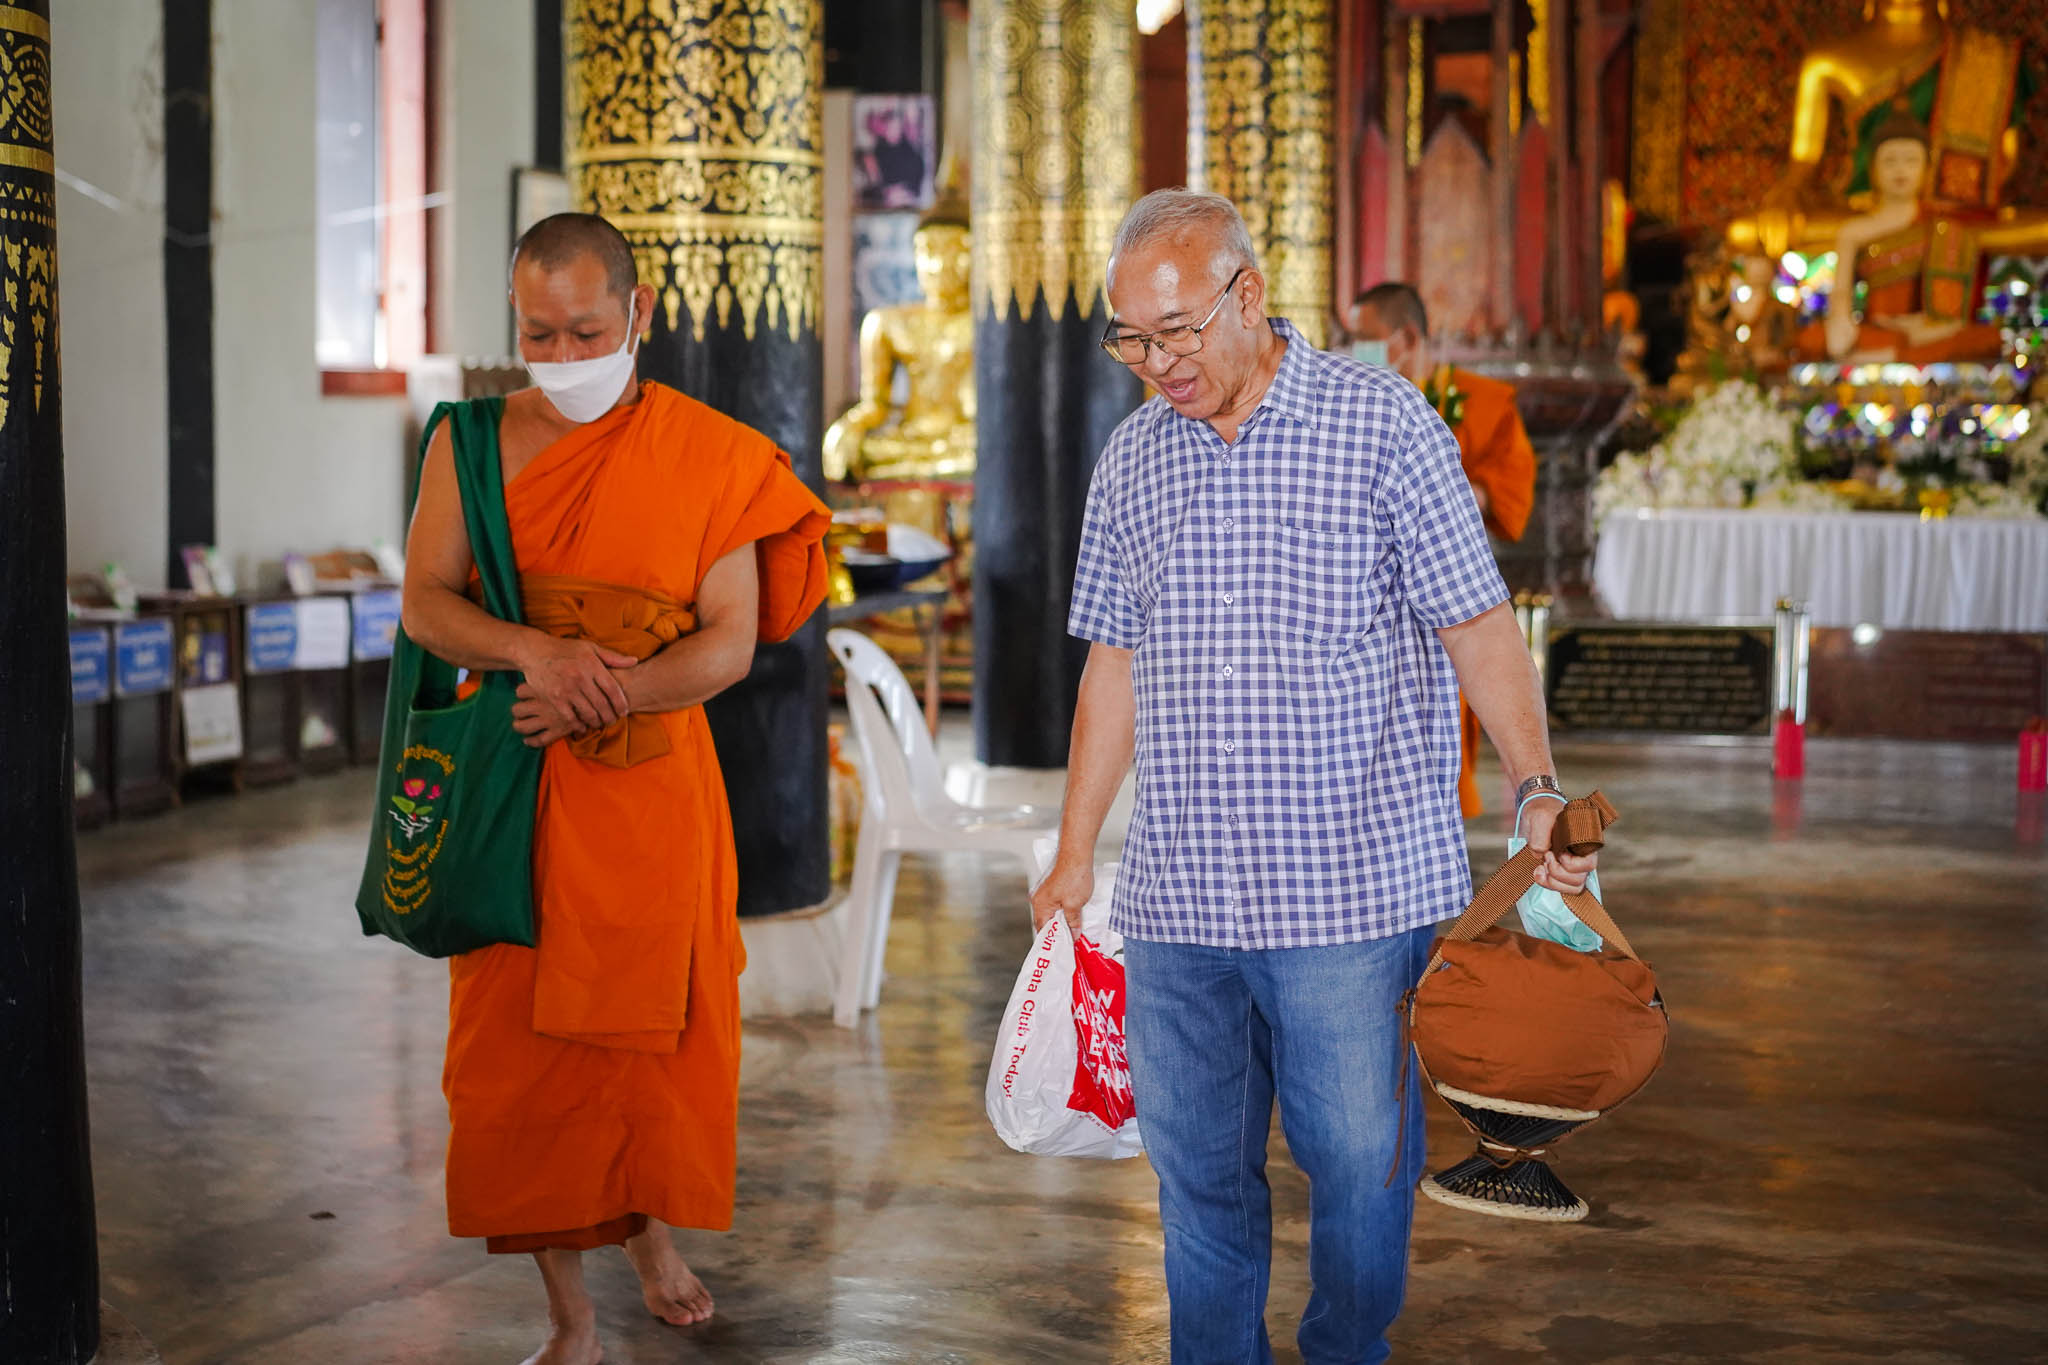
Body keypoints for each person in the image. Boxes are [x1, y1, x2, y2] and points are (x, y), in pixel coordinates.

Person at [1030, 189, 1596, 1365]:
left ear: (1248, 295)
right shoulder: (1132, 459)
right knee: (1195, 1174)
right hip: (1180, 897)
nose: (1156, 365)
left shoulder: (1380, 425)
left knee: (1355, 1163)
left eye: (1176, 332)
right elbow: (1112, 664)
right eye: (1131, 340)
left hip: (1347, 894)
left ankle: (1346, 1347)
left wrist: (1534, 785)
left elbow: (1476, 626)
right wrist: (1075, 850)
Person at [399, 212, 829, 1365]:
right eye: (537, 334)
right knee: (517, 1059)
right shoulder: (470, 445)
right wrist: (534, 655)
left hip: (650, 798)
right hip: (513, 788)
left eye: (585, 331)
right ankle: (568, 1316)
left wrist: (609, 694)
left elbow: (729, 640)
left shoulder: (712, 453)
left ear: (637, 313)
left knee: (646, 1045)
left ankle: (650, 1240)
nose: (560, 355)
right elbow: (426, 602)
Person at [1347, 281, 1538, 818]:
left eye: (1365, 337)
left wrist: (1434, 484)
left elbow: (1508, 495)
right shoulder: (1351, 405)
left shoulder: (1482, 401)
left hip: (1447, 587)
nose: (1355, 350)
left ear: (1407, 339)